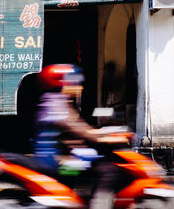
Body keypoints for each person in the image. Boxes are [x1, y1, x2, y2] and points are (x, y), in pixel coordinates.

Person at [33, 64, 130, 209]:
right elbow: (78, 130)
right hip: (56, 162)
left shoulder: (58, 101)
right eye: (75, 82)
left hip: (60, 156)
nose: (80, 87)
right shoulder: (55, 105)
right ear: (63, 83)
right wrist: (105, 138)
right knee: (106, 171)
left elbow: (80, 128)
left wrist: (105, 133)